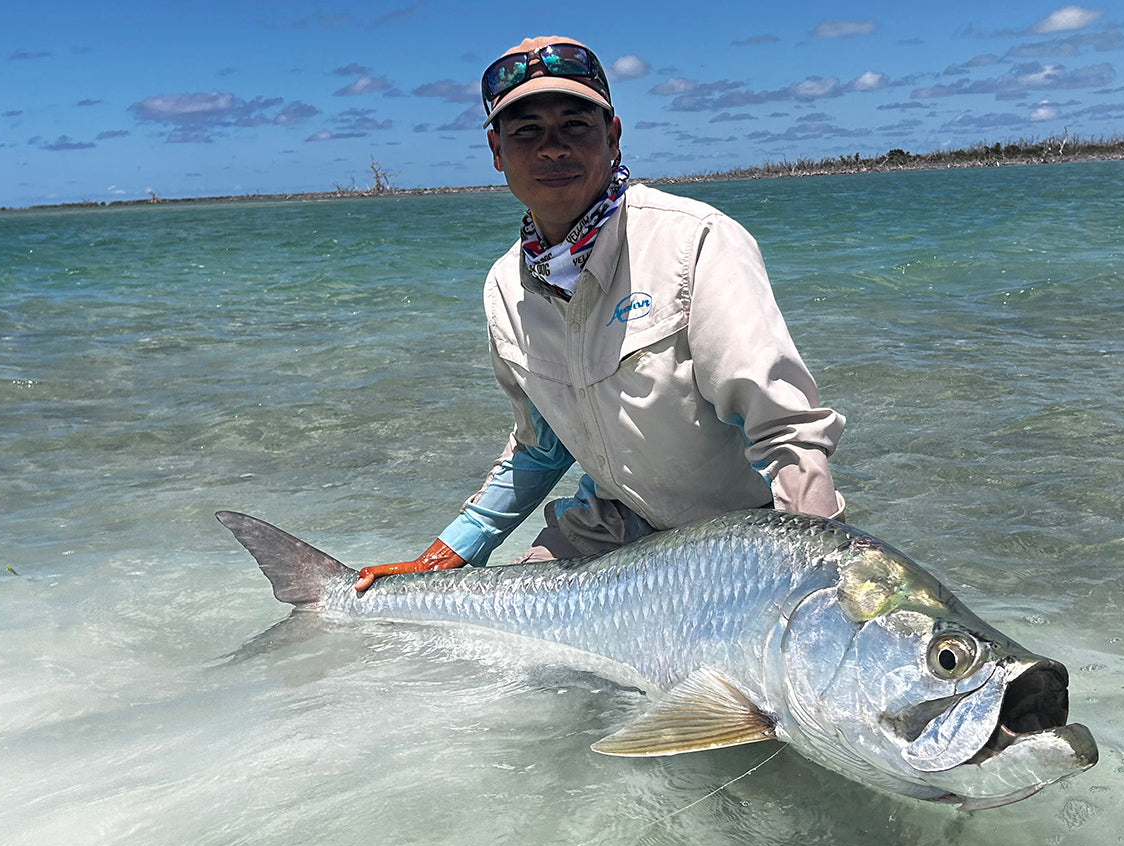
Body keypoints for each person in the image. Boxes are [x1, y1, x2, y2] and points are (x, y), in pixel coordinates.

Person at [355, 36, 844, 591]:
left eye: (574, 126)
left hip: (738, 536)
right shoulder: (504, 287)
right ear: (496, 150)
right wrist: (449, 552)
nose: (552, 149)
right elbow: (543, 449)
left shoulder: (696, 242)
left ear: (612, 136)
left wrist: (817, 576)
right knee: (481, 642)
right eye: (527, 132)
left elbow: (786, 430)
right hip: (610, 524)